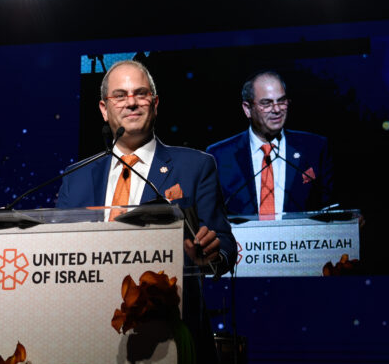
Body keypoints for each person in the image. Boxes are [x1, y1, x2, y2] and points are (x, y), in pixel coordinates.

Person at [57, 59, 235, 275]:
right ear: (104, 109)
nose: (131, 103)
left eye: (141, 93)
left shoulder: (196, 167)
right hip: (91, 304)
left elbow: (224, 246)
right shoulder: (76, 177)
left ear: (155, 104)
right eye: (120, 95)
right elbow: (59, 252)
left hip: (165, 302)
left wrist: (212, 256)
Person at [207, 71, 334, 217]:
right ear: (247, 109)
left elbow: (330, 206)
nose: (276, 109)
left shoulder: (315, 148)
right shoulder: (219, 155)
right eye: (266, 103)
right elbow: (210, 213)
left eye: (281, 101)